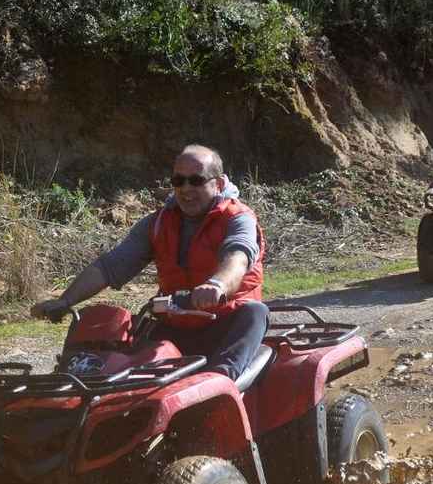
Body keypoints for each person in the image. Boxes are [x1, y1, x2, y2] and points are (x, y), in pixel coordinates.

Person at [30, 144, 267, 382]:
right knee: (113, 339)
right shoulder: (158, 224)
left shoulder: (238, 218)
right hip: (174, 324)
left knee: (255, 312)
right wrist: (65, 300)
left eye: (196, 180)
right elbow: (111, 266)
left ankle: (219, 385)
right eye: (178, 181)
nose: (186, 189)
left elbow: (238, 257)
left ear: (220, 184)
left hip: (224, 324)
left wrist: (217, 285)